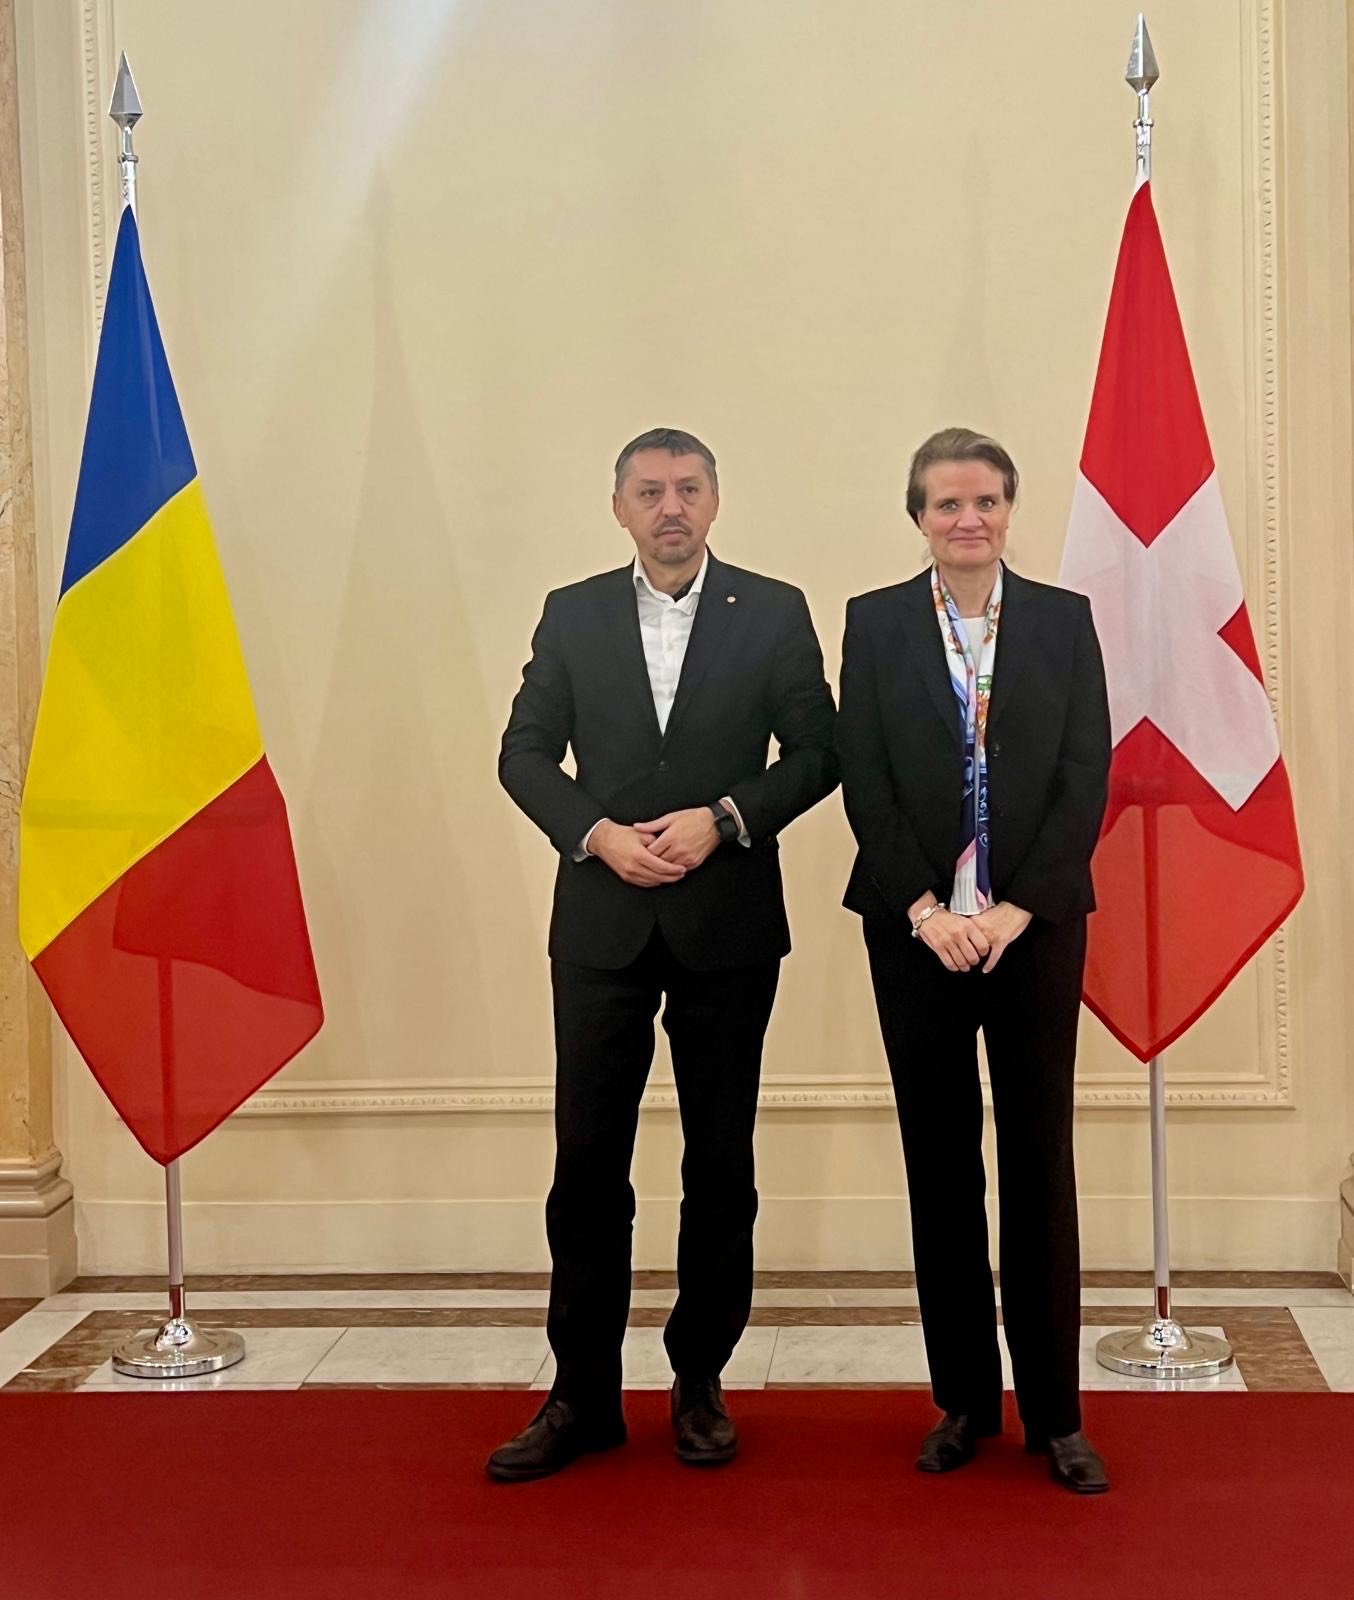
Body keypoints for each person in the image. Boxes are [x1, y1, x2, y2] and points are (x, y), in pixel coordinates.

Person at [490, 427, 838, 1481]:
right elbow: (522, 752)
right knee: (587, 1166)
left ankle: (699, 1380)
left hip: (728, 922)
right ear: (619, 508)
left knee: (719, 1162)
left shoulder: (772, 610)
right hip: (601, 924)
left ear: (714, 502)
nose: (670, 506)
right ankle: (582, 1394)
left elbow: (819, 752)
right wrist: (594, 834)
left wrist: (725, 818)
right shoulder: (572, 612)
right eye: (649, 491)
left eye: (687, 488)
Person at [836, 427, 1112, 1494]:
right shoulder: (873, 623)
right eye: (948, 503)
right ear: (918, 516)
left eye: (986, 501)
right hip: (917, 934)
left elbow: (1083, 773)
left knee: (1039, 1160)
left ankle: (1055, 1415)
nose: (968, 519)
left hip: (1031, 931)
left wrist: (1014, 910)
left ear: (1008, 510)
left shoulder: (1062, 620)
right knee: (940, 1164)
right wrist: (924, 908)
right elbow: (865, 778)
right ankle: (962, 1401)